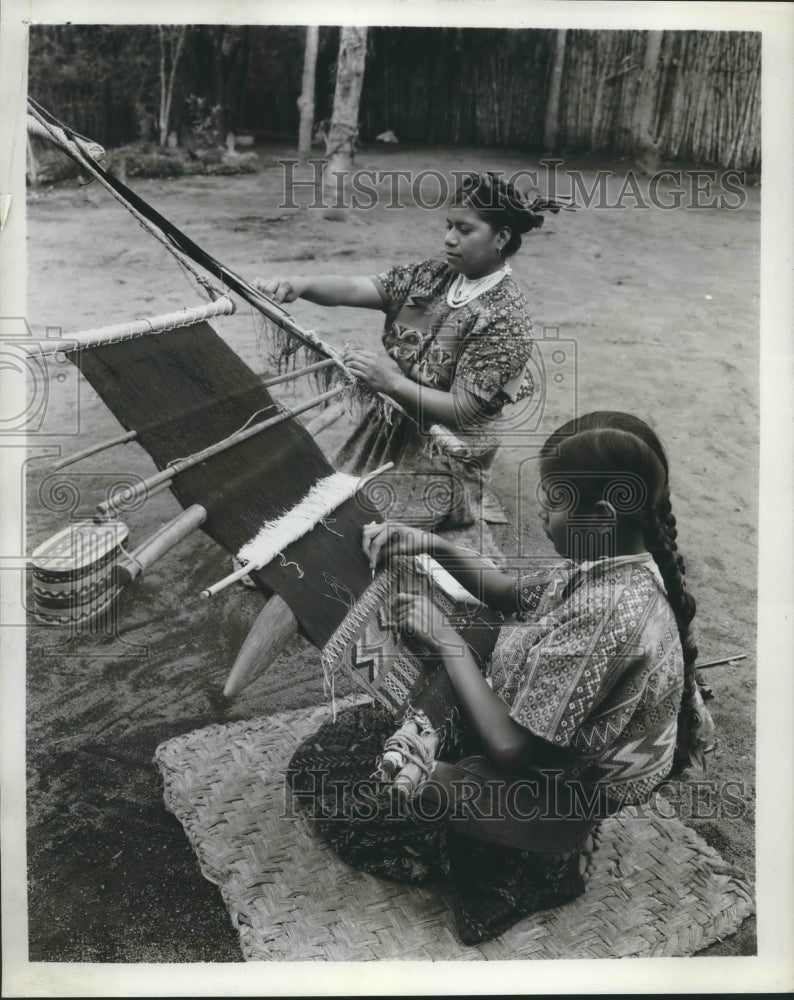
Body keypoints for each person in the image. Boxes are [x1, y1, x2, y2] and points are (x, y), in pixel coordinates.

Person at [287, 411, 715, 945]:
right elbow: (512, 595)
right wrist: (432, 545)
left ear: (602, 514)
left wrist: (446, 642)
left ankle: (526, 869)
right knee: (353, 738)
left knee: (328, 777)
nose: (539, 509)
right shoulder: (617, 562)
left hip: (554, 789)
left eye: (553, 500)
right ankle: (519, 846)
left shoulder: (609, 613)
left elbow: (514, 751)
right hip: (552, 759)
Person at [259, 171, 568, 530]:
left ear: (500, 237)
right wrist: (300, 284)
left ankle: (466, 496)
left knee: (374, 533)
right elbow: (357, 288)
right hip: (400, 418)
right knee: (330, 501)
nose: (449, 239)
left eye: (465, 230)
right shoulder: (432, 277)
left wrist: (391, 383)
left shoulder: (505, 318)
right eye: (449, 225)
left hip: (451, 445)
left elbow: (462, 411)